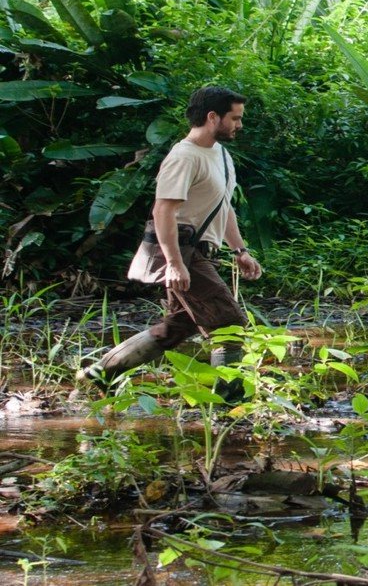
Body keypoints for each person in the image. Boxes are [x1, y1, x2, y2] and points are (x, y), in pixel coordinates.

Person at [76, 86, 262, 390]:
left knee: (178, 325)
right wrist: (175, 263)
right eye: (235, 118)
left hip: (197, 251)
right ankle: (230, 409)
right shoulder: (184, 156)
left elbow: (223, 207)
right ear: (213, 117)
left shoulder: (222, 155)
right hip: (181, 252)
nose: (239, 125)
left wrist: (239, 250)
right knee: (230, 326)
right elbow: (163, 210)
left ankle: (99, 373)